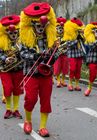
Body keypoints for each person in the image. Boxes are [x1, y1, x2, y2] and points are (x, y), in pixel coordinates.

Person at [19, 2, 57, 137]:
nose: (40, 28)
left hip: (46, 74)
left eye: (43, 25)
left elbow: (55, 52)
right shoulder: (25, 37)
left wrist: (53, 58)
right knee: (30, 98)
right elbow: (22, 53)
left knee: (46, 100)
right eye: (38, 25)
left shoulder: (51, 37)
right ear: (32, 24)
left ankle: (42, 126)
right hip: (31, 73)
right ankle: (28, 120)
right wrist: (34, 56)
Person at [0, 15, 23, 119]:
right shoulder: (1, 41)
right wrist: (5, 58)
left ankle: (16, 110)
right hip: (6, 69)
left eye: (15, 33)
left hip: (18, 69)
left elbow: (25, 53)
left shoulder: (21, 41)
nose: (13, 35)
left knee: (17, 89)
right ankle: (8, 109)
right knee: (8, 88)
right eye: (10, 33)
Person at [63, 17, 84, 91]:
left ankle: (77, 85)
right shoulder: (68, 35)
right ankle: (70, 84)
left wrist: (82, 38)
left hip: (79, 54)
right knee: (72, 69)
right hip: (72, 54)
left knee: (78, 69)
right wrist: (76, 40)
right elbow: (69, 44)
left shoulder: (80, 35)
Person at [54, 16, 69, 88]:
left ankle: (63, 80)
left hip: (65, 53)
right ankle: (58, 81)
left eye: (62, 28)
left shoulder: (66, 36)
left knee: (64, 67)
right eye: (58, 28)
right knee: (57, 67)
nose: (60, 29)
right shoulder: (54, 37)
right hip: (57, 54)